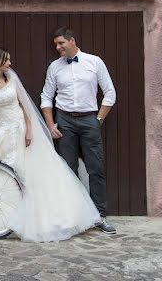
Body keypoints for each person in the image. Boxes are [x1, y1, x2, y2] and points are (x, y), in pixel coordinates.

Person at [0, 47, 99, 242]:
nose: (9, 64)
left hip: (20, 130)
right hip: (0, 132)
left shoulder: (12, 80)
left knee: (29, 175)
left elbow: (25, 106)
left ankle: (33, 219)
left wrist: (29, 130)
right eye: (6, 61)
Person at [40, 27, 117, 234]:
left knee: (95, 168)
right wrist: (50, 124)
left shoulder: (95, 62)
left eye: (60, 43)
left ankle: (99, 215)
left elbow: (110, 93)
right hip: (64, 120)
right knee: (68, 170)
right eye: (56, 44)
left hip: (89, 119)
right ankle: (72, 216)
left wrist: (98, 119)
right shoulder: (55, 67)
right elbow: (46, 96)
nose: (57, 47)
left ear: (72, 41)